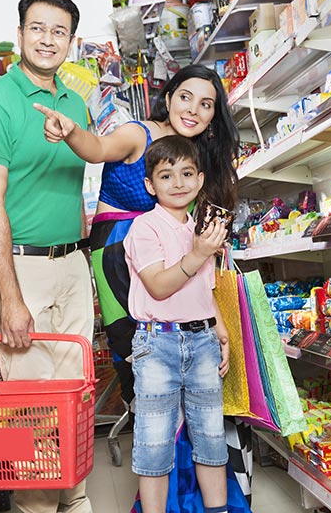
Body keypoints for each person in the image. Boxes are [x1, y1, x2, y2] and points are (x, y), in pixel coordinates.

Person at [37, 65, 239, 405]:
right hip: (117, 247)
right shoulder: (138, 134)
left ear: (213, 115)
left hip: (170, 249)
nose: (193, 109)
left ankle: (186, 448)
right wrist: (72, 132)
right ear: (169, 97)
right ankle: (152, 434)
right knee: (135, 348)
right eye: (185, 97)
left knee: (179, 340)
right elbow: (98, 148)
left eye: (205, 104)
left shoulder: (198, 153)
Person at [0, 0, 93, 513]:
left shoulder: (76, 104)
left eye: (58, 31)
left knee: (76, 398)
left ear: (70, 41)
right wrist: (10, 298)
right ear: (19, 34)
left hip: (71, 263)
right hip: (17, 266)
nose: (47, 39)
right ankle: (36, 508)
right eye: (37, 28)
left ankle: (76, 500)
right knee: (35, 408)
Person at [123, 135, 230, 513]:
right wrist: (199, 253)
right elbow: (158, 285)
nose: (179, 183)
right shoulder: (144, 228)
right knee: (154, 441)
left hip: (202, 341)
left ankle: (217, 508)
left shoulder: (201, 229)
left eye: (187, 173)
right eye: (166, 176)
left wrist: (220, 328)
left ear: (200, 180)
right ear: (151, 185)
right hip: (156, 344)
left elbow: (205, 288)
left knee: (211, 435)